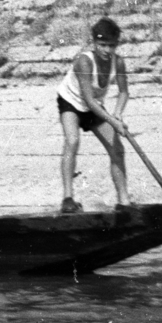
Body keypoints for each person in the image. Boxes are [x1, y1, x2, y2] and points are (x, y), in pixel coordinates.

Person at [56, 17, 131, 214]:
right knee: (72, 141)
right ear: (94, 43)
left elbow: (123, 92)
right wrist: (113, 122)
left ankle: (124, 201)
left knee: (117, 149)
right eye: (102, 45)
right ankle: (68, 198)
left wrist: (117, 113)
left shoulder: (119, 63)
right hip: (71, 102)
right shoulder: (84, 61)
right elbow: (88, 101)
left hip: (94, 107)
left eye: (111, 46)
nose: (107, 50)